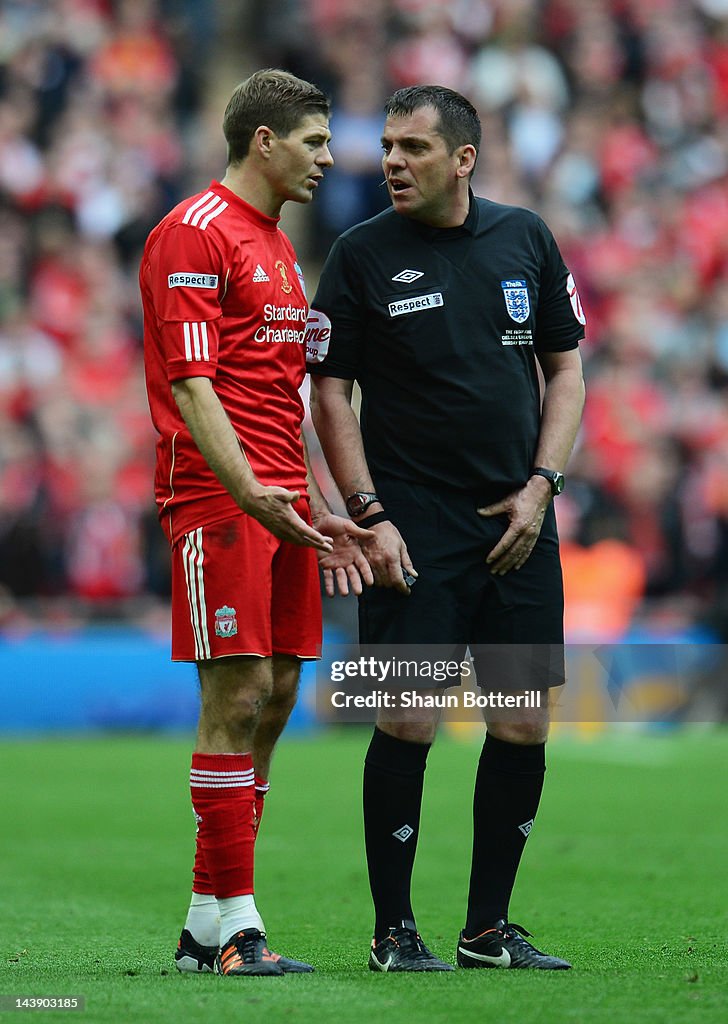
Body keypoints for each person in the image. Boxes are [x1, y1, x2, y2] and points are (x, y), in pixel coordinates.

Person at [309, 85, 586, 972]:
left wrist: (542, 487)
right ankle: (394, 932)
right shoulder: (358, 255)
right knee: (408, 721)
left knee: (520, 726)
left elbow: (567, 371)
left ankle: (487, 930)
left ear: (462, 159)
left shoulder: (525, 237)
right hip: (412, 528)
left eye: (413, 148)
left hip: (517, 523)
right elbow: (330, 392)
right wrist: (370, 515)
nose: (391, 160)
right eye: (387, 145)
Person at [140, 69, 373, 978]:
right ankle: (238, 925)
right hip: (216, 496)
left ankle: (210, 919)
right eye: (315, 141)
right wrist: (245, 491)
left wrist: (311, 498)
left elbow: (281, 395)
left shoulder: (277, 247)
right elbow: (194, 386)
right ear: (265, 140)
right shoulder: (193, 233)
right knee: (234, 697)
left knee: (277, 694)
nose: (328, 157)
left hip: (280, 502)